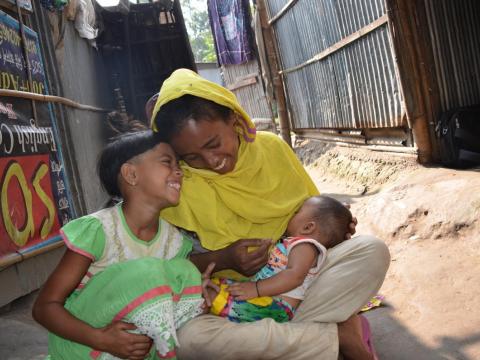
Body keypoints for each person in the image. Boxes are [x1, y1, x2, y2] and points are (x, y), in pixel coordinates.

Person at [148, 68, 390, 360]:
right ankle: (335, 336)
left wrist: (334, 231)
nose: (211, 162)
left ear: (234, 120)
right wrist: (225, 258)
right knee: (189, 341)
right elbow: (174, 264)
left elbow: (314, 212)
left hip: (302, 284)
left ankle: (290, 342)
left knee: (371, 250)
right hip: (235, 304)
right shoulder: (180, 187)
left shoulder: (272, 149)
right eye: (192, 158)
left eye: (213, 144)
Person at [32, 131, 217, 360]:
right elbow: (44, 307)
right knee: (147, 271)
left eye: (178, 164)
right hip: (82, 348)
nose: (178, 171)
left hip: (137, 352)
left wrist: (196, 300)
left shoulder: (174, 243)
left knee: (185, 273)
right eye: (166, 162)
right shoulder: (100, 231)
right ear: (131, 174)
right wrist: (102, 339)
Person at [210, 195, 352, 323]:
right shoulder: (295, 244)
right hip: (264, 297)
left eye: (297, 212)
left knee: (214, 298)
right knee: (215, 285)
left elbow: (295, 276)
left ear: (308, 227)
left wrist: (256, 288)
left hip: (276, 306)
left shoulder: (305, 246)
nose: (292, 214)